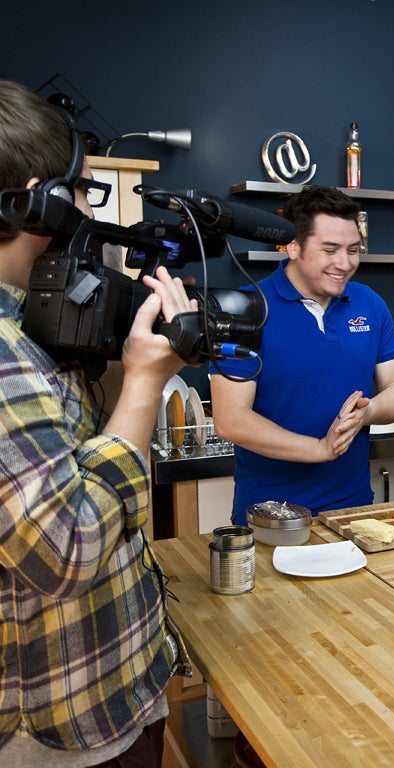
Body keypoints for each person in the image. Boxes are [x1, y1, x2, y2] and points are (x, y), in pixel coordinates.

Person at [0, 79, 197, 767]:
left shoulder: (24, 331)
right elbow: (70, 550)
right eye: (83, 190)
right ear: (41, 200)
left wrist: (119, 355)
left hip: (105, 696)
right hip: (61, 732)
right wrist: (146, 379)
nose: (89, 208)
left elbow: (82, 450)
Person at [211, 185, 394, 523]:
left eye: (353, 250)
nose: (344, 264)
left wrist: (369, 411)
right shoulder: (245, 308)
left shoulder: (370, 304)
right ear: (293, 246)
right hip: (270, 515)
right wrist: (319, 449)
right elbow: (231, 421)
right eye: (330, 249)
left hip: (354, 509)